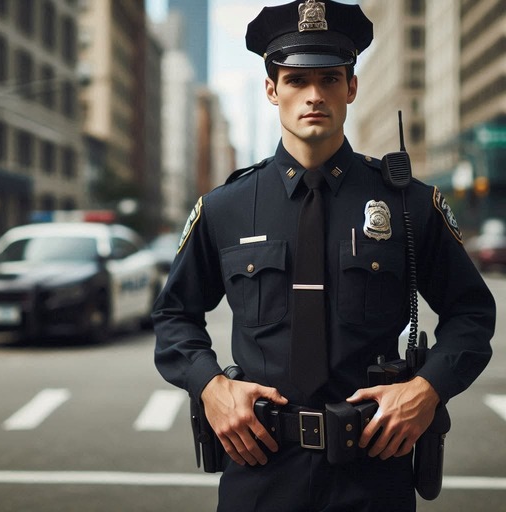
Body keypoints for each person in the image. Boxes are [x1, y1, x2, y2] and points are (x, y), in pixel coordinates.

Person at [152, 1, 496, 510]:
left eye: (331, 79)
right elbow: (174, 315)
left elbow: (472, 312)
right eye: (295, 80)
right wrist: (209, 386)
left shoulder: (408, 205)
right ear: (272, 90)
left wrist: (427, 389)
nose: (314, 95)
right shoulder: (224, 208)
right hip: (260, 471)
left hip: (374, 473)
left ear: (351, 88)